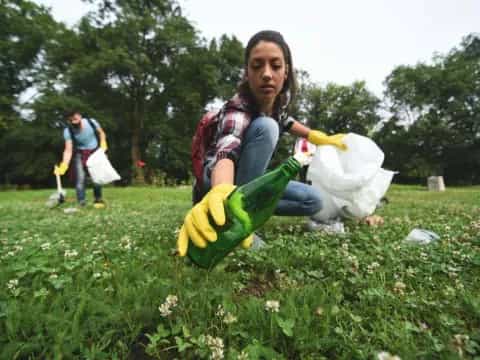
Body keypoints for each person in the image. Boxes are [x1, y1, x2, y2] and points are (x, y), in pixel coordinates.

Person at [177, 30, 347, 257]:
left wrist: (315, 136)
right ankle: (230, 217)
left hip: (246, 181)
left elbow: (288, 121)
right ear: (247, 73)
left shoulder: (275, 107)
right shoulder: (237, 108)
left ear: (286, 71)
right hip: (217, 178)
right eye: (257, 66)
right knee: (266, 127)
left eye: (275, 66)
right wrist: (222, 190)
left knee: (313, 200)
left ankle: (249, 209)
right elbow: (226, 149)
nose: (267, 74)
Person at [54, 110, 108, 208]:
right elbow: (68, 150)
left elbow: (101, 133)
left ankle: (98, 200)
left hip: (95, 152)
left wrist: (103, 143)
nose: (73, 121)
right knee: (80, 180)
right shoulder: (68, 131)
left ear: (79, 116)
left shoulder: (91, 122)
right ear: (68, 121)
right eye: (70, 120)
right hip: (80, 154)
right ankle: (81, 203)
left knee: (96, 179)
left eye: (74, 118)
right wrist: (64, 165)